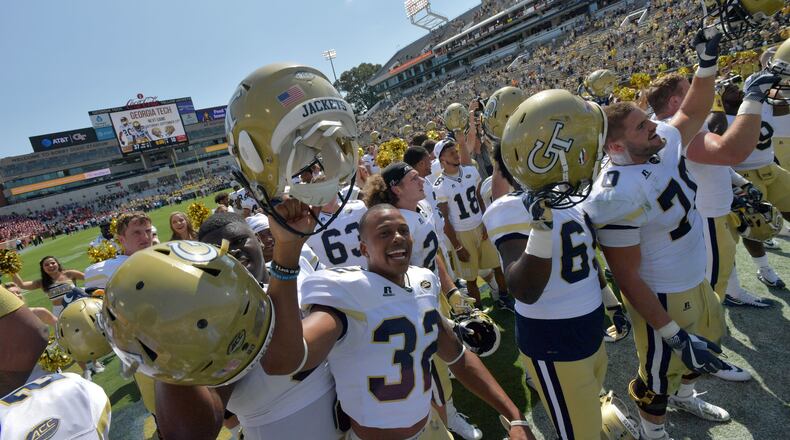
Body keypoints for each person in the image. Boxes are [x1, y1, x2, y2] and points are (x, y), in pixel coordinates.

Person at [585, 31, 778, 439]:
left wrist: (706, 66)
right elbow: (627, 277)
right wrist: (669, 330)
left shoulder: (660, 141)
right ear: (616, 147)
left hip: (695, 274)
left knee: (704, 346)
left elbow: (691, 109)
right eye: (642, 127)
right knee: (656, 378)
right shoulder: (614, 195)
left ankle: (686, 396)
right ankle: (653, 432)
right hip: (662, 293)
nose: (654, 127)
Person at [263, 200, 535, 440]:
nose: (397, 237)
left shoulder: (422, 281)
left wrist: (514, 414)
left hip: (430, 427)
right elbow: (283, 361)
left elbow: (457, 356)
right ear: (364, 248)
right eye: (384, 233)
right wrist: (287, 251)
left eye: (403, 230)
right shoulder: (347, 293)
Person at [115, 212, 338, 440]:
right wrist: (166, 347)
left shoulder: (301, 267)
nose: (232, 250)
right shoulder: (213, 318)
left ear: (259, 239)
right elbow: (191, 434)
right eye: (218, 249)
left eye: (239, 241)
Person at [497, 89, 633, 440]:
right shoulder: (508, 208)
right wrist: (540, 226)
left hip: (588, 325)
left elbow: (587, 261)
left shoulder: (571, 199)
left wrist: (611, 303)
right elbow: (524, 289)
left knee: (588, 409)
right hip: (552, 338)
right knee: (578, 433)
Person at [362, 162, 483, 440]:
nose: (421, 180)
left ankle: (445, 409)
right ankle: (447, 416)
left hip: (431, 291)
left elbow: (433, 254)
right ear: (396, 188)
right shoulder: (394, 224)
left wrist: (451, 291)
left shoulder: (420, 209)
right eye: (412, 178)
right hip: (414, 303)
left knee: (447, 357)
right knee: (435, 366)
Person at [0, 285, 111, 437]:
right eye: (12, 294)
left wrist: (56, 347)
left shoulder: (39, 312)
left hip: (45, 371)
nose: (17, 296)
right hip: (23, 377)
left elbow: (60, 329)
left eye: (18, 293)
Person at [432, 137, 512, 310]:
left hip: (480, 225)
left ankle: (504, 298)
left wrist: (485, 221)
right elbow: (445, 219)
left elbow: (478, 199)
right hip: (462, 232)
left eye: (455, 149)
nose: (455, 153)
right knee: (471, 278)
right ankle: (480, 311)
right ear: (442, 160)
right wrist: (457, 246)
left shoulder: (471, 171)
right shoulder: (440, 185)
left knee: (497, 265)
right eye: (450, 152)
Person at [13, 256, 84, 316]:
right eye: (46, 265)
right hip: (60, 313)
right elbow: (21, 285)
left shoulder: (69, 273)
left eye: (53, 263)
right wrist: (12, 270)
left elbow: (88, 277)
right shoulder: (41, 282)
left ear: (58, 264)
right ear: (43, 268)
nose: (50, 266)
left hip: (78, 306)